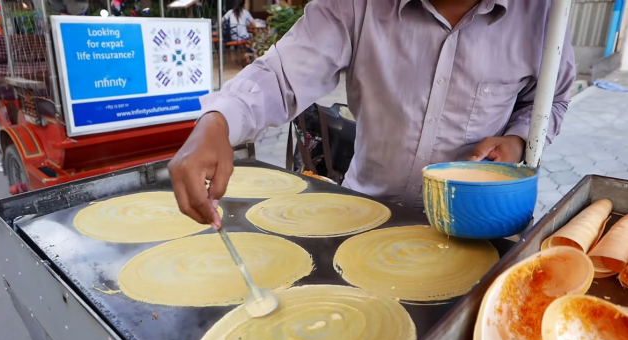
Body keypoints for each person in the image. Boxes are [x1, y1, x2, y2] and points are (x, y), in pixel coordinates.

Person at [169, 0, 575, 229]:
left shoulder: (543, 16)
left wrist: (518, 138)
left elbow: (551, 99)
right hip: (365, 216)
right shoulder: (354, 5)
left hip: (483, 223)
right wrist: (218, 121)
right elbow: (281, 75)